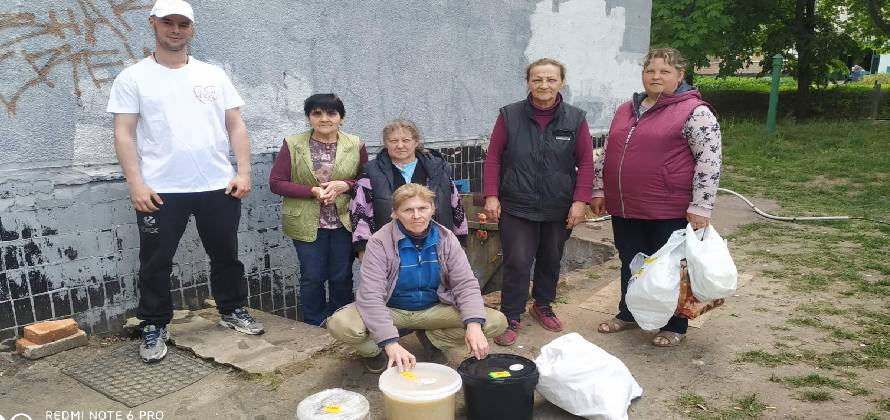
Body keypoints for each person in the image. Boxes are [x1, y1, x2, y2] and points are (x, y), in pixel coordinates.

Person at [107, 0, 263, 363]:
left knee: (226, 255)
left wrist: (243, 172)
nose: (175, 30)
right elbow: (124, 133)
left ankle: (232, 310)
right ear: (153, 24)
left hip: (217, 186)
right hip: (161, 190)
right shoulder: (133, 77)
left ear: (191, 28)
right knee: (156, 261)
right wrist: (136, 183)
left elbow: (235, 125)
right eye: (167, 23)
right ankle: (155, 324)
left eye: (182, 24)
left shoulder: (213, 74)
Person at [591, 47, 722, 347]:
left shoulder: (696, 112)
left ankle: (675, 324)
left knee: (671, 267)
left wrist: (701, 205)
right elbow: (607, 152)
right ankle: (629, 313)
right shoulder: (626, 109)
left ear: (680, 75)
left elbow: (709, 162)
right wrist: (599, 189)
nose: (656, 76)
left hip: (669, 207)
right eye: (650, 70)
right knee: (631, 261)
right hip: (626, 205)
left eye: (664, 71)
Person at [327, 184, 507, 373]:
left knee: (494, 322)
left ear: (432, 209)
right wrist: (390, 343)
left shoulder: (446, 239)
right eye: (408, 210)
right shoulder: (379, 242)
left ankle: (433, 340)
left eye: (423, 208)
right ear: (395, 213)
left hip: (434, 308)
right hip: (392, 308)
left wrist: (473, 326)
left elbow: (465, 285)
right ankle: (375, 350)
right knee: (341, 325)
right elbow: (371, 296)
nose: (417, 215)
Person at [482, 58, 594, 346]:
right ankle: (511, 314)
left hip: (558, 205)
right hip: (517, 204)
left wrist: (580, 201)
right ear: (528, 82)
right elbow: (494, 157)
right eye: (537, 79)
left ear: (561, 82)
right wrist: (492, 195)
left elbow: (586, 162)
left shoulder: (575, 118)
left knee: (550, 258)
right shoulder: (509, 116)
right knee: (517, 261)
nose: (544, 85)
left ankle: (542, 305)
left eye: (551, 79)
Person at [269, 94, 368, 326]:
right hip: (306, 222)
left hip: (344, 222)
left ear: (341, 118)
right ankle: (314, 323)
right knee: (312, 276)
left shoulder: (355, 144)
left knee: (341, 276)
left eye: (331, 113)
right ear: (308, 117)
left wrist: (346, 185)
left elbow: (366, 179)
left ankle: (341, 323)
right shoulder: (293, 144)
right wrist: (311, 191)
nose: (324, 118)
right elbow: (276, 182)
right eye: (317, 113)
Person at [349, 119, 468, 260]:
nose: (400, 146)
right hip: (390, 250)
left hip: (436, 245)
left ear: (416, 142)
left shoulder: (439, 169)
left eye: (406, 140)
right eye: (393, 141)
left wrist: (460, 241)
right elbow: (360, 210)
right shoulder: (371, 172)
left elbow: (456, 206)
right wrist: (363, 247)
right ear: (386, 143)